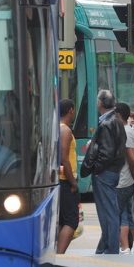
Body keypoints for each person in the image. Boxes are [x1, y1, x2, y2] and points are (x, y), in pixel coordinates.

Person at [90, 90, 127, 255]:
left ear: (100, 103)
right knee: (108, 211)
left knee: (109, 212)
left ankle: (111, 248)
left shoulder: (106, 124)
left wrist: (96, 169)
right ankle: (105, 247)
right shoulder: (117, 121)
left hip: (105, 172)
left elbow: (106, 153)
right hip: (113, 170)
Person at [115, 103, 134, 255]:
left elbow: (131, 158)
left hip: (123, 180)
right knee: (129, 214)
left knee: (121, 214)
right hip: (128, 179)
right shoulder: (130, 130)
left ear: (118, 115)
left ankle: (125, 247)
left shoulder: (124, 131)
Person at [57, 99, 79, 254]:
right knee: (71, 221)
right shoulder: (65, 130)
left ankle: (57, 253)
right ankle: (59, 255)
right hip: (65, 180)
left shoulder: (56, 128)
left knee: (62, 220)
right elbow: (64, 158)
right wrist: (73, 182)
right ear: (71, 110)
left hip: (60, 179)